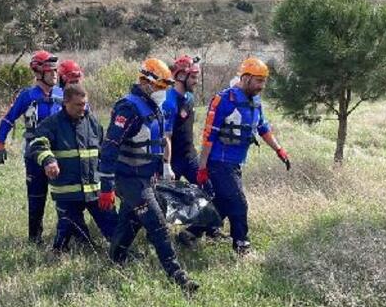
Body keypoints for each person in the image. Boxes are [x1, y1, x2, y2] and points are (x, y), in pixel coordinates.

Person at [98, 57, 199, 293]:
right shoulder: (128, 108)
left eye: (166, 86)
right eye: (161, 86)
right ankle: (178, 277)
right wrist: (106, 187)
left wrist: (164, 165)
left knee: (130, 222)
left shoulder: (154, 107)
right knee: (158, 225)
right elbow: (110, 148)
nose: (165, 91)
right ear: (146, 83)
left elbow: (161, 139)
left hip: (146, 176)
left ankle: (115, 258)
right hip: (129, 178)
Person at [196, 57, 290, 255]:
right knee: (239, 203)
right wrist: (202, 167)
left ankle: (190, 233)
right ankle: (242, 245)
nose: (262, 86)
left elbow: (263, 128)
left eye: (264, 81)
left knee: (223, 203)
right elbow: (208, 135)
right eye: (258, 81)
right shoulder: (223, 100)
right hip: (218, 162)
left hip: (236, 162)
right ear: (245, 78)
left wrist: (279, 150)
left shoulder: (255, 101)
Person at [26, 82, 118, 252]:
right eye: (78, 105)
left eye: (84, 104)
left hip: (95, 190)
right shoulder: (52, 124)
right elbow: (37, 144)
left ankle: (123, 256)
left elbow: (104, 153)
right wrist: (48, 160)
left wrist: (110, 184)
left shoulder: (93, 123)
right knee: (70, 235)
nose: (83, 108)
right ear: (65, 103)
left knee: (115, 230)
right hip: (68, 193)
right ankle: (57, 254)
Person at [0, 50, 63, 245]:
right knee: (36, 198)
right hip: (34, 155)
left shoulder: (61, 94)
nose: (55, 75)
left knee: (66, 198)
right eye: (50, 71)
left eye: (56, 71)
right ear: (38, 72)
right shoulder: (27, 96)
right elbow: (8, 119)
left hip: (59, 154)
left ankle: (66, 237)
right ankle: (35, 239)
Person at [160, 55, 220, 247]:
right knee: (162, 200)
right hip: (173, 160)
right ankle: (158, 238)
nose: (196, 81)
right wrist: (166, 165)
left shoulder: (190, 97)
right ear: (180, 77)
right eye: (193, 77)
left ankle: (201, 231)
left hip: (190, 156)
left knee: (210, 189)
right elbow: (165, 136)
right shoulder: (169, 101)